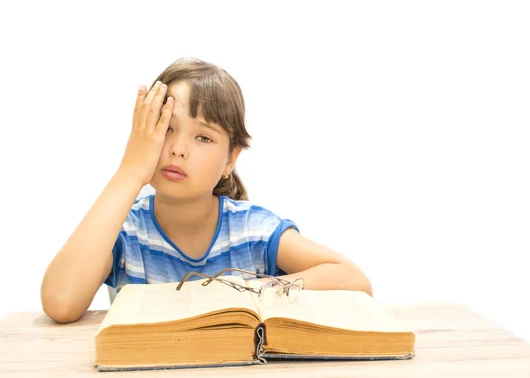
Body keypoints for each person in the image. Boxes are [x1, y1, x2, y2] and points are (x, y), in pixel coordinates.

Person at [41, 57, 372, 324]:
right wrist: (130, 171)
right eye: (166, 129)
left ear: (231, 158)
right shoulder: (125, 232)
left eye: (203, 137)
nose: (178, 149)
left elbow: (354, 281)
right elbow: (60, 302)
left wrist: (246, 291)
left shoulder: (252, 231)